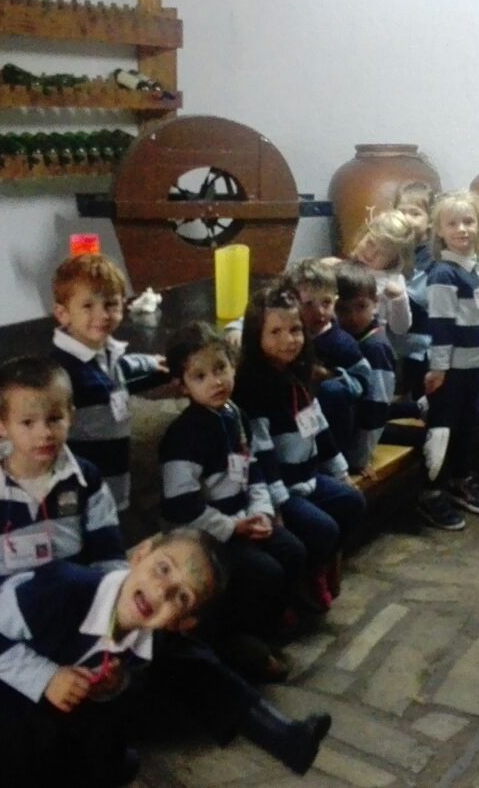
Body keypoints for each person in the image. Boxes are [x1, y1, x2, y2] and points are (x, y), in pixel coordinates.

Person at [0, 530, 332, 788]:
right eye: (162, 569)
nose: (161, 590)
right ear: (139, 555)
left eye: (181, 597)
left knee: (171, 662)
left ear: (185, 621)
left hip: (60, 672)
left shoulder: (148, 630)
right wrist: (45, 677)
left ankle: (282, 735)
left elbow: (124, 677)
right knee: (15, 739)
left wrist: (115, 684)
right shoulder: (64, 588)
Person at [0, 357, 122, 748]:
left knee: (97, 709)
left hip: (70, 614)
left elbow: (110, 558)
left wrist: (108, 626)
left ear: (71, 415)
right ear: (1, 426)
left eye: (54, 419)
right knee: (12, 720)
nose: (44, 433)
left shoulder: (86, 480)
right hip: (7, 622)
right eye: (27, 423)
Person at [158, 321, 305, 673]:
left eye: (221, 368)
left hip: (244, 519)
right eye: (200, 376)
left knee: (293, 550)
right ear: (182, 386)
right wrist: (233, 527)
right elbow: (181, 506)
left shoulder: (235, 416)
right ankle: (241, 642)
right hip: (207, 534)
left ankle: (266, 626)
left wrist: (262, 512)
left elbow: (252, 469)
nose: (216, 381)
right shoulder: (183, 437)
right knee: (264, 571)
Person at [232, 281, 367, 612]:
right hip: (280, 488)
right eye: (275, 332)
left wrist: (340, 471)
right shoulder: (252, 387)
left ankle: (318, 565)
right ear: (257, 336)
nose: (288, 340)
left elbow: (318, 425)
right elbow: (261, 453)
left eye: (295, 330)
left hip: (306, 477)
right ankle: (304, 580)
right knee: (323, 529)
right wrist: (277, 504)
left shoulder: (299, 376)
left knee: (352, 502)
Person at [48, 252, 167, 514]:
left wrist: (148, 363)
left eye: (111, 304)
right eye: (87, 306)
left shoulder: (103, 350)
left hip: (114, 469)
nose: (102, 314)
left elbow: (118, 366)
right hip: (82, 484)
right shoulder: (61, 373)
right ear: (63, 313)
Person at [421, 192, 479, 527]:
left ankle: (459, 480)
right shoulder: (444, 274)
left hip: (474, 365)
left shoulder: (478, 268)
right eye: (452, 223)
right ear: (439, 230)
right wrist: (439, 367)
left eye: (468, 221)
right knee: (442, 431)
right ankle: (431, 492)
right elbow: (441, 325)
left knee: (466, 427)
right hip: (451, 369)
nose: (462, 229)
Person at [287, 257, 372, 460]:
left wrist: (330, 375)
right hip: (299, 412)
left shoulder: (341, 342)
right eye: (308, 304)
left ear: (335, 300)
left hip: (335, 420)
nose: (319, 312)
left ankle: (331, 457)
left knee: (331, 391)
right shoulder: (290, 335)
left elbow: (363, 380)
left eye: (326, 302)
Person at [334, 262, 398, 477]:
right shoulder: (343, 335)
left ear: (375, 303)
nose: (352, 317)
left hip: (359, 437)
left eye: (361, 307)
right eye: (343, 309)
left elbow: (376, 405)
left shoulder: (374, 347)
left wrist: (360, 457)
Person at [395, 182, 438, 400]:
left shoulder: (431, 255)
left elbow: (419, 297)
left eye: (415, 213)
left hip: (422, 342)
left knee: (421, 397)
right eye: (401, 212)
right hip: (398, 338)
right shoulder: (394, 247)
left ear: (430, 221)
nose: (406, 219)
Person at [347, 209, 417, 337]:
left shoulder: (393, 280)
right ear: (364, 234)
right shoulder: (346, 266)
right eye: (370, 243)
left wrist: (399, 299)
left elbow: (400, 329)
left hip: (371, 341)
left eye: (383, 253)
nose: (371, 253)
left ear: (393, 260)